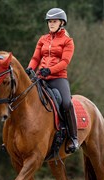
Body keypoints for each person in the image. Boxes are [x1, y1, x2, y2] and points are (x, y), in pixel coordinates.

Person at [26, 8, 79, 153]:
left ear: (62, 23)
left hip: (58, 78)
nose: (51, 24)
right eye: (49, 22)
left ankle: (73, 137)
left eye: (54, 21)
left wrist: (50, 70)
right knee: (23, 98)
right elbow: (36, 58)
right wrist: (29, 69)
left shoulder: (68, 41)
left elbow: (64, 62)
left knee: (67, 103)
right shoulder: (43, 39)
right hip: (40, 77)